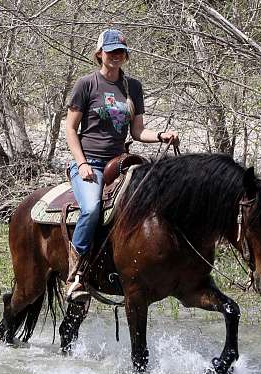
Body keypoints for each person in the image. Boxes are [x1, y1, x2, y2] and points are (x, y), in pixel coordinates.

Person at [64, 28, 179, 302]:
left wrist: (162, 135)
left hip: (120, 162)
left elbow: (138, 132)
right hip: (89, 162)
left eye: (121, 52)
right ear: (99, 53)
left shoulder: (132, 87)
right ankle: (76, 273)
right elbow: (70, 128)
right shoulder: (86, 84)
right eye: (111, 51)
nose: (116, 56)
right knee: (91, 209)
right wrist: (81, 164)